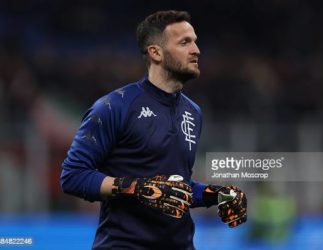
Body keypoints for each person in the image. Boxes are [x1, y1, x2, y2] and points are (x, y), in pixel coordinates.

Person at [60, 10, 247, 249]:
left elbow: (173, 187)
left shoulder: (194, 112)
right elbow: (72, 176)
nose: (196, 50)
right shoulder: (115, 106)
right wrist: (138, 188)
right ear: (155, 52)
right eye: (185, 42)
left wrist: (216, 194)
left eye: (195, 41)